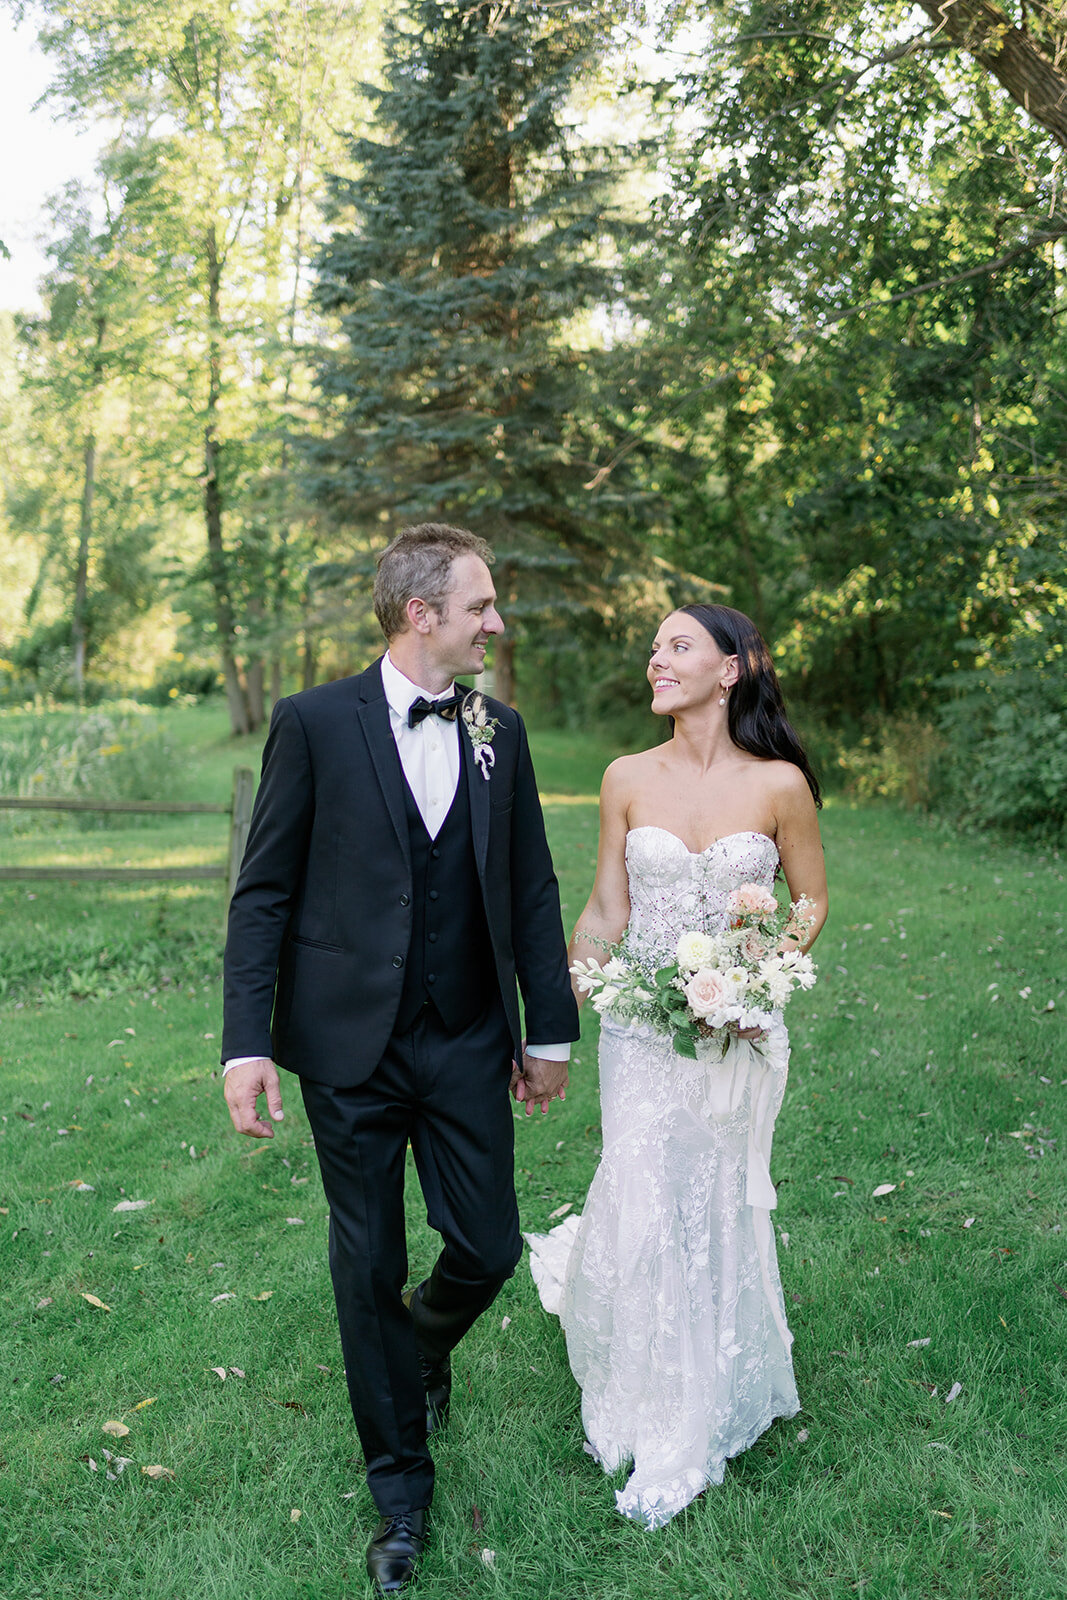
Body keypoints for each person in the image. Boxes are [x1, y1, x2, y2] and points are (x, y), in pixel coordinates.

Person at [221, 523, 579, 1593]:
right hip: (346, 1045)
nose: (496, 623)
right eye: (481, 606)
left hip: (466, 1031)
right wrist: (247, 1044)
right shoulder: (313, 723)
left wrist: (546, 1031)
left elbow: (528, 887)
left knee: (486, 1243)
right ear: (420, 613)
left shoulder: (495, 731)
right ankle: (400, 1496)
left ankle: (422, 1343)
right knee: (364, 1259)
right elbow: (264, 892)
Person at [526, 602, 828, 1528]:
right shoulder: (624, 776)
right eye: (654, 647)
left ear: (730, 668)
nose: (655, 659)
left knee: (715, 1194)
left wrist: (756, 979)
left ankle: (712, 1385)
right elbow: (607, 909)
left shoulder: (779, 785)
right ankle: (653, 1400)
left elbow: (808, 898)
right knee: (646, 1184)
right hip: (640, 1034)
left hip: (729, 1030)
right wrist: (560, 1012)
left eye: (677, 645)